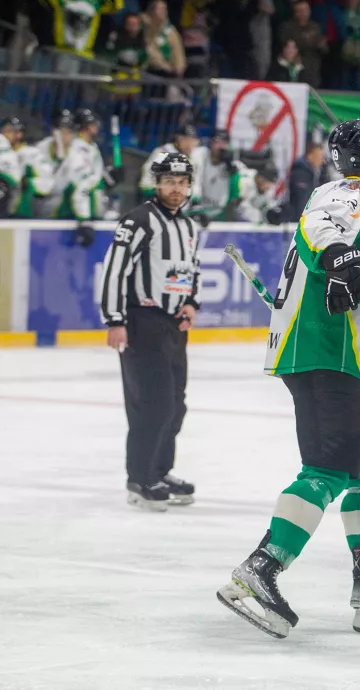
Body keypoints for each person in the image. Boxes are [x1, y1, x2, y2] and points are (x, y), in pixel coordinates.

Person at [217, 119, 360, 640]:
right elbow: (320, 224)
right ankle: (261, 568)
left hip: (334, 353)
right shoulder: (355, 191)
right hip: (323, 349)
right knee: (328, 468)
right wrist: (339, 257)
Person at [98, 152, 200, 511]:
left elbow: (191, 269)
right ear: (156, 183)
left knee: (175, 404)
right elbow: (114, 270)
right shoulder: (138, 220)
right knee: (152, 403)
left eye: (182, 182)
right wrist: (115, 320)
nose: (176, 188)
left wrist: (191, 302)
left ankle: (159, 470)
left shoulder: (188, 226)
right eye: (169, 181)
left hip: (174, 325)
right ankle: (139, 479)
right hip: (142, 322)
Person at [45, 109, 122, 230]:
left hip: (90, 211)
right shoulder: (77, 149)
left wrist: (110, 178)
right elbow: (80, 185)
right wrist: (84, 219)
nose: (96, 126)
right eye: (93, 124)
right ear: (85, 126)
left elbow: (96, 177)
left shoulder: (92, 147)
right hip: (72, 213)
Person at [9, 117, 57, 218]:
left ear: (20, 134)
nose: (5, 135)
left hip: (22, 211)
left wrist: (29, 183)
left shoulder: (33, 154)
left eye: (10, 131)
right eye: (4, 131)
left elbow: (48, 183)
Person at [139, 123, 199, 200]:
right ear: (177, 138)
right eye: (186, 140)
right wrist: (151, 189)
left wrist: (193, 194)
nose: (189, 144)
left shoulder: (193, 158)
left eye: (193, 141)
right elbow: (148, 173)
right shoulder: (163, 152)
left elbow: (193, 183)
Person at [278, 0, 327, 88]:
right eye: (301, 11)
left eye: (306, 10)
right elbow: (289, 45)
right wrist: (310, 41)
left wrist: (320, 44)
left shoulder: (314, 27)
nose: (304, 13)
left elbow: (323, 48)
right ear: (295, 13)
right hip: (293, 70)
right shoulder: (287, 27)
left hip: (313, 69)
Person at [284, 138, 330, 222]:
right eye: (320, 157)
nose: (322, 161)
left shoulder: (310, 173)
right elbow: (303, 202)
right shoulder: (300, 173)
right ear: (310, 155)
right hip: (298, 222)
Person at [0, 117, 26, 218]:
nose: (7, 134)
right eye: (6, 131)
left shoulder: (29, 152)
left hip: (12, 195)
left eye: (11, 131)